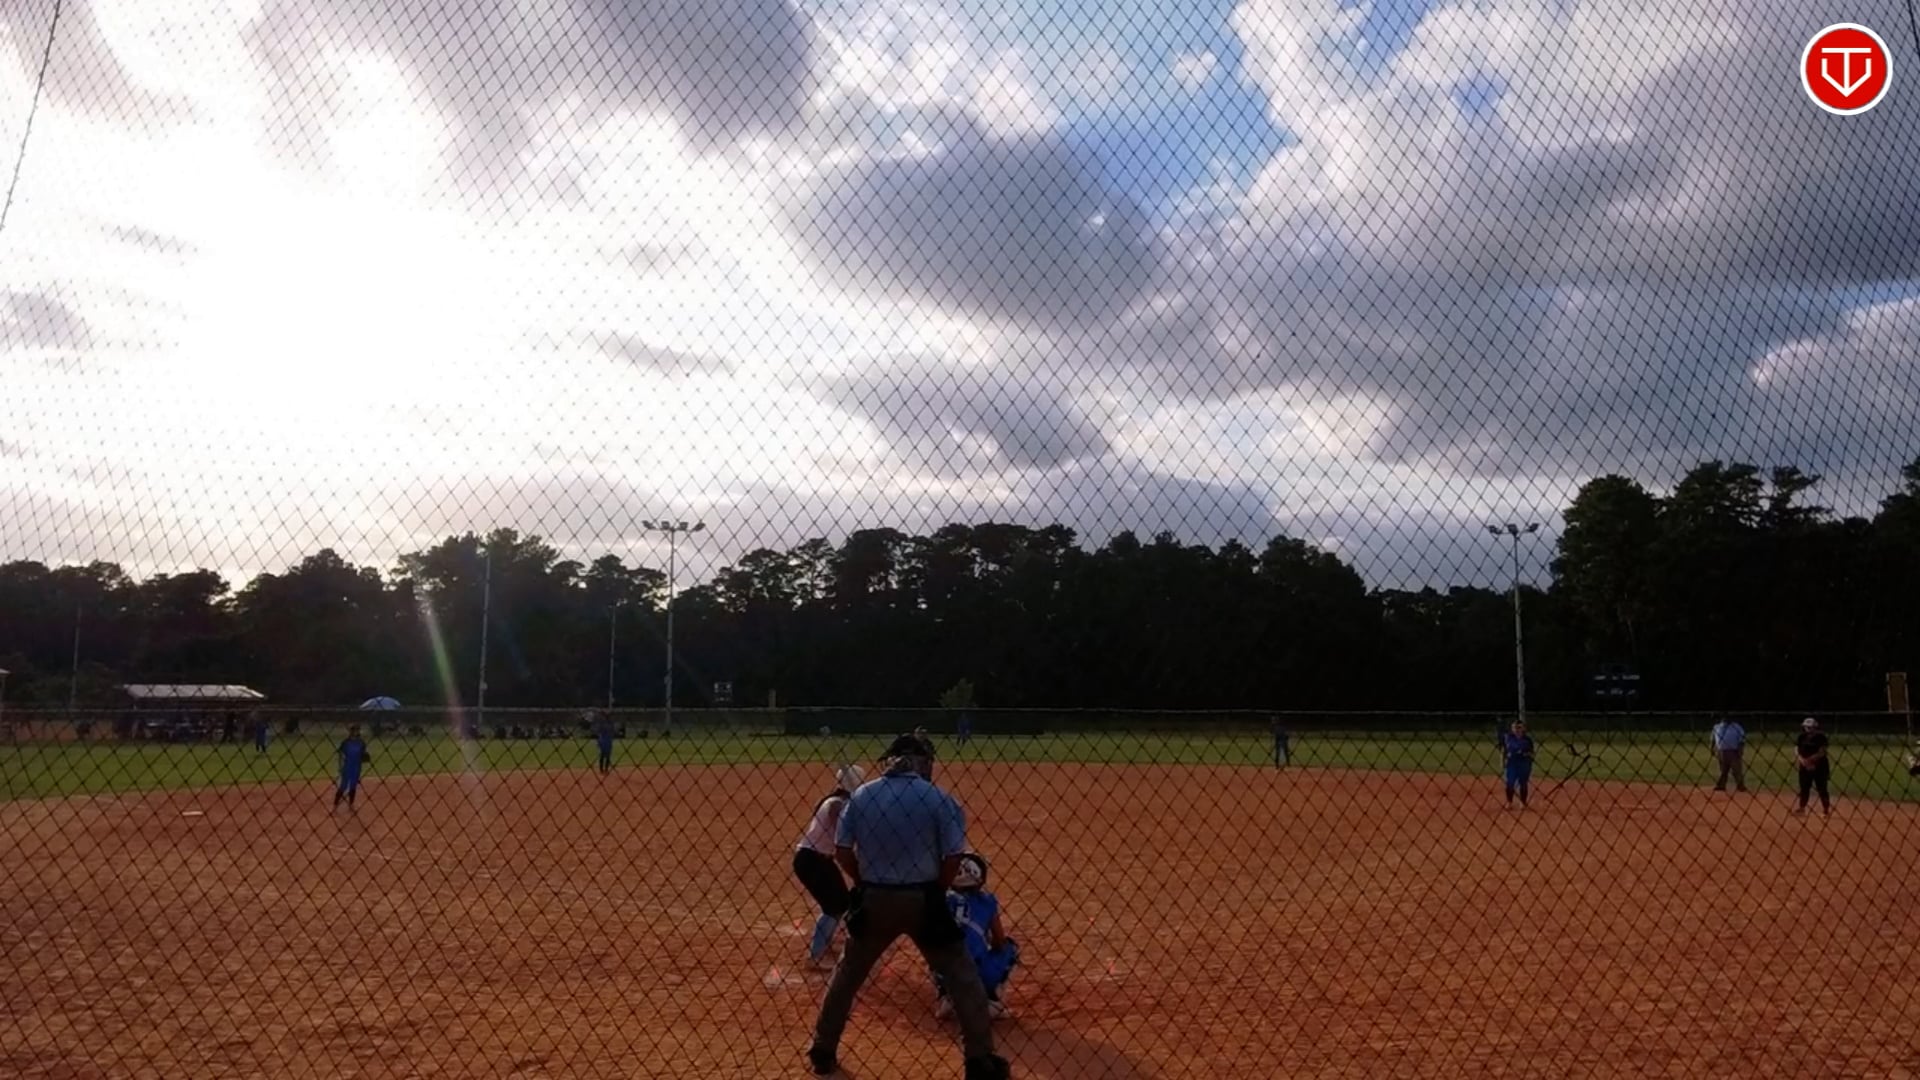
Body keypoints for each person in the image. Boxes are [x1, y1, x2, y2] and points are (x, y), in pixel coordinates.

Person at [806, 735, 1009, 1080]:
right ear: (924, 763)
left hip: (874, 898)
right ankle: (979, 1059)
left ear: (890, 760)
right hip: (924, 898)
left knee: (847, 974)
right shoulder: (939, 798)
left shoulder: (862, 796)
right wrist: (937, 890)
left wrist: (864, 882)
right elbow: (954, 857)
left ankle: (822, 1050)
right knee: (961, 975)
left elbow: (841, 852)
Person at [793, 765, 865, 969]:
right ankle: (815, 956)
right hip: (811, 860)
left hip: (820, 860)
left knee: (842, 902)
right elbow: (842, 831)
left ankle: (824, 944)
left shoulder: (839, 801)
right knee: (833, 907)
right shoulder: (836, 804)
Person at [934, 852, 1019, 1020]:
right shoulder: (986, 901)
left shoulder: (941, 899)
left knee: (936, 949)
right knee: (1011, 948)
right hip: (977, 973)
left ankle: (946, 996)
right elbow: (1000, 941)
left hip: (946, 972)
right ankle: (991, 1001)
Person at [1795, 717, 1831, 816]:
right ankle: (1802, 808)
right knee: (1804, 788)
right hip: (1804, 766)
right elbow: (1796, 749)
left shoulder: (1821, 737)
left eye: (1811, 728)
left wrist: (1810, 760)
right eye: (1807, 727)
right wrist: (1802, 760)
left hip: (1820, 767)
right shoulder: (1801, 737)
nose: (1809, 730)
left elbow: (1822, 752)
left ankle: (1826, 810)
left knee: (1822, 788)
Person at [334, 724, 372, 810]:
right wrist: (340, 766)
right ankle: (335, 803)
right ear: (351, 731)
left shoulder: (361, 743)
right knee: (343, 785)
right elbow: (340, 754)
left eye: (358, 730)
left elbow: (364, 754)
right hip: (347, 766)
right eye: (355, 730)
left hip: (357, 767)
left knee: (353, 785)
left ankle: (351, 804)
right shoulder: (346, 742)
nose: (357, 732)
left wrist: (366, 756)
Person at [1500, 720, 1535, 809]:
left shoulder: (1527, 740)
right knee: (1510, 783)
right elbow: (1504, 751)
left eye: (1519, 727)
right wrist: (1503, 762)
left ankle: (1523, 802)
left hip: (1523, 763)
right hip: (1512, 763)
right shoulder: (1508, 738)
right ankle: (1509, 802)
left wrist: (1527, 757)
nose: (1517, 730)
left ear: (1523, 728)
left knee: (1523, 783)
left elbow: (1532, 754)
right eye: (1515, 727)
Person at [1710, 714, 1747, 792]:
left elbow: (1742, 740)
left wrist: (1740, 749)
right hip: (1721, 751)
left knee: (1736, 770)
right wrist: (1712, 748)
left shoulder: (1737, 727)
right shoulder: (1717, 727)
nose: (1726, 718)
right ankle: (1721, 785)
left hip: (1734, 751)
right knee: (1723, 770)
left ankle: (1740, 785)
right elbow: (1713, 739)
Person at [592, 711, 615, 775]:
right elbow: (599, 732)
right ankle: (603, 770)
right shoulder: (608, 723)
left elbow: (598, 731)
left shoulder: (607, 723)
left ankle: (603, 770)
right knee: (604, 756)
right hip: (605, 741)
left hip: (606, 741)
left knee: (605, 756)